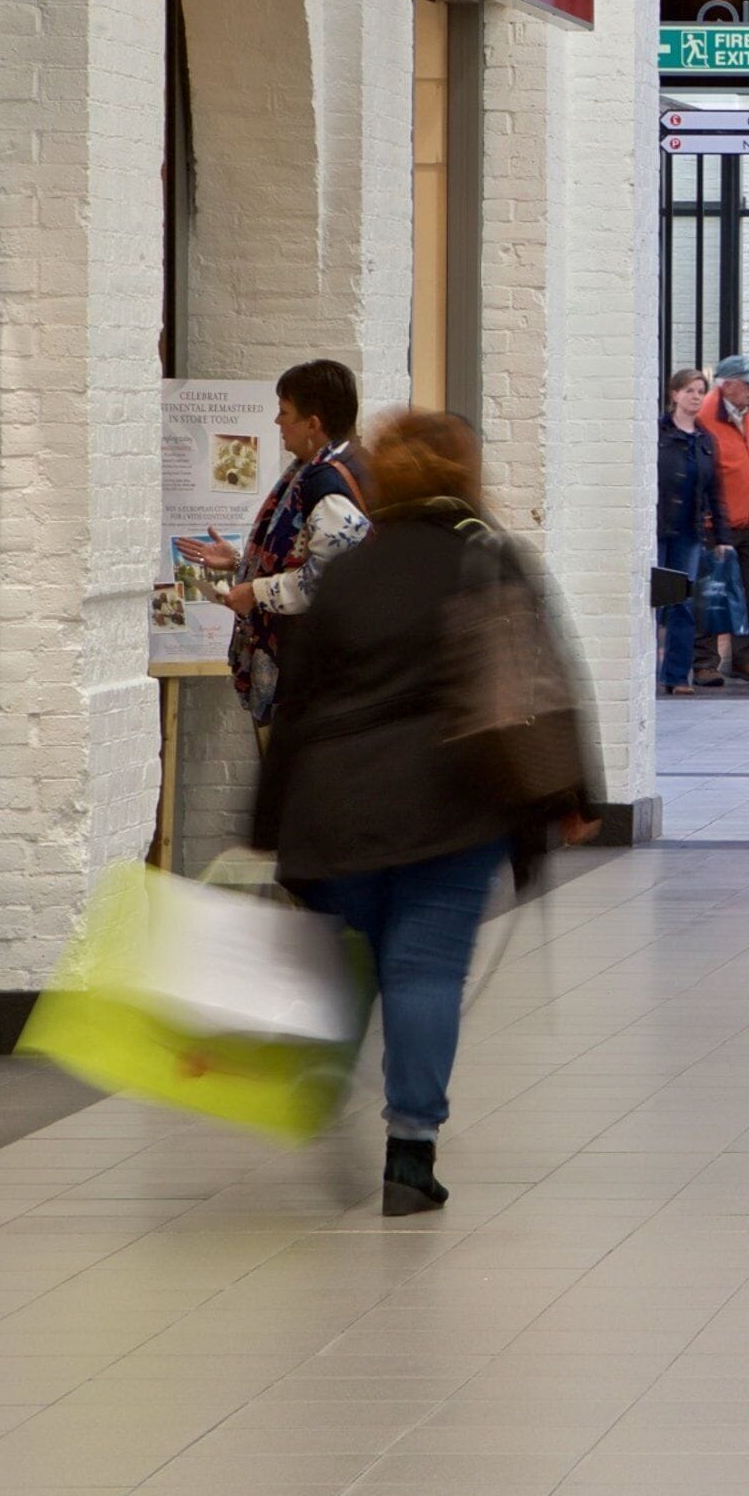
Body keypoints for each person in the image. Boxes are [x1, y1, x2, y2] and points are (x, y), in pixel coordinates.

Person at [254, 407, 591, 1217]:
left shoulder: (349, 574)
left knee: (354, 961)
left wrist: (266, 819)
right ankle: (410, 1151)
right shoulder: (489, 560)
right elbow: (538, 681)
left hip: (338, 807)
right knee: (426, 970)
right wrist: (568, 796)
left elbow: (294, 703)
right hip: (452, 804)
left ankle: (321, 1073)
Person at [175, 359, 370, 728]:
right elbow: (305, 554)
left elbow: (327, 579)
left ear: (313, 423)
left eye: (285, 413)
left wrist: (256, 591)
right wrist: (239, 563)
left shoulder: (328, 484)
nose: (278, 423)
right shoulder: (332, 466)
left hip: (319, 676)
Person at [702, 356, 749, 687]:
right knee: (712, 593)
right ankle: (704, 661)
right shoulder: (706, 416)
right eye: (748, 384)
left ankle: (744, 657)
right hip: (715, 524)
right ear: (727, 383)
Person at [655, 367, 721, 695]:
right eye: (689, 391)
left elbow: (715, 491)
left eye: (700, 391)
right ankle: (645, 670)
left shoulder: (705, 440)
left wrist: (721, 537)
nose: (695, 397)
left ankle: (677, 675)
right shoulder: (658, 432)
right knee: (651, 599)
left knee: (681, 601)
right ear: (675, 394)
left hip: (689, 530)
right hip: (658, 526)